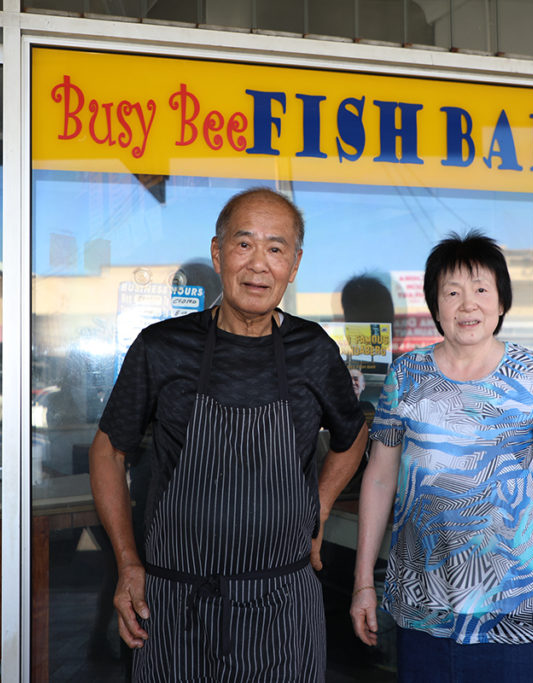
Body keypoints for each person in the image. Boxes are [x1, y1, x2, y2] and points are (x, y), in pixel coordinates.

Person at [89, 187, 369, 682]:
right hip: (175, 607)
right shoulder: (163, 347)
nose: (259, 264)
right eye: (245, 244)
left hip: (283, 607)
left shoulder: (312, 350)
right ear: (218, 253)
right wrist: (129, 563)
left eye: (276, 248)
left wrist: (317, 509)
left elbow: (352, 435)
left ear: (295, 264)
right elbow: (109, 451)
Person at [349, 231, 533, 682]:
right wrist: (363, 580)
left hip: (516, 607)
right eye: (452, 292)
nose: (468, 304)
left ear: (501, 303)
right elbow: (380, 479)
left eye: (481, 289)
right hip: (424, 604)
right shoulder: (407, 375)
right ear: (435, 304)